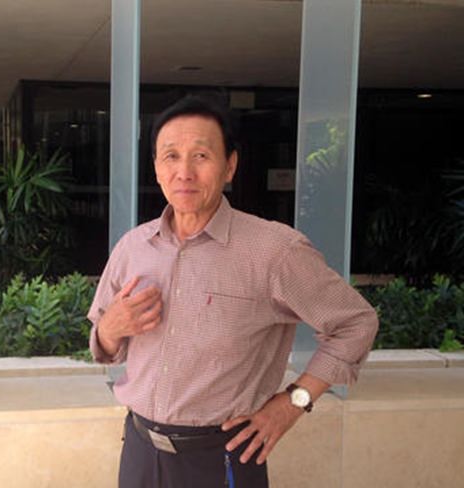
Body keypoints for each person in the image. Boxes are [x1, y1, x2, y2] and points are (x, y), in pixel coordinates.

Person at [87, 95, 378, 488]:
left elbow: (356, 323)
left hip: (221, 457)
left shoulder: (274, 250)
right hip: (140, 452)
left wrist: (294, 402)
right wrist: (109, 329)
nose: (184, 172)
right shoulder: (133, 247)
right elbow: (103, 342)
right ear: (156, 167)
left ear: (230, 166)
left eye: (201, 156)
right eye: (171, 156)